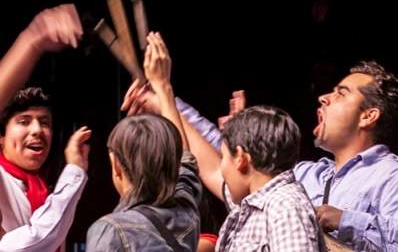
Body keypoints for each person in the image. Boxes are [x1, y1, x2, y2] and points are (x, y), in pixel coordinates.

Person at [142, 60, 398, 251]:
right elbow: (228, 160)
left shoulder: (389, 175)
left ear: (368, 115)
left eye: (341, 94)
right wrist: (165, 102)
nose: (324, 98)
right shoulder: (305, 175)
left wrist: (344, 219)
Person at [121, 45, 324, 252]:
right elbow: (207, 166)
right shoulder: (254, 199)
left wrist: (164, 89)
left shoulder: (285, 206)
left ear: (241, 160)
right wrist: (161, 99)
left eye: (224, 157)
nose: (222, 167)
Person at [85, 32, 202, 251]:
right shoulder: (185, 210)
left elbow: (184, 159)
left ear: (116, 166)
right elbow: (185, 160)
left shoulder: (110, 230)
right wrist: (163, 87)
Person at [0, 4, 92, 252]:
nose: (37, 130)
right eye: (23, 121)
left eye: (44, 122)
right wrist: (32, 40)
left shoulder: (41, 188)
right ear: (1, 137)